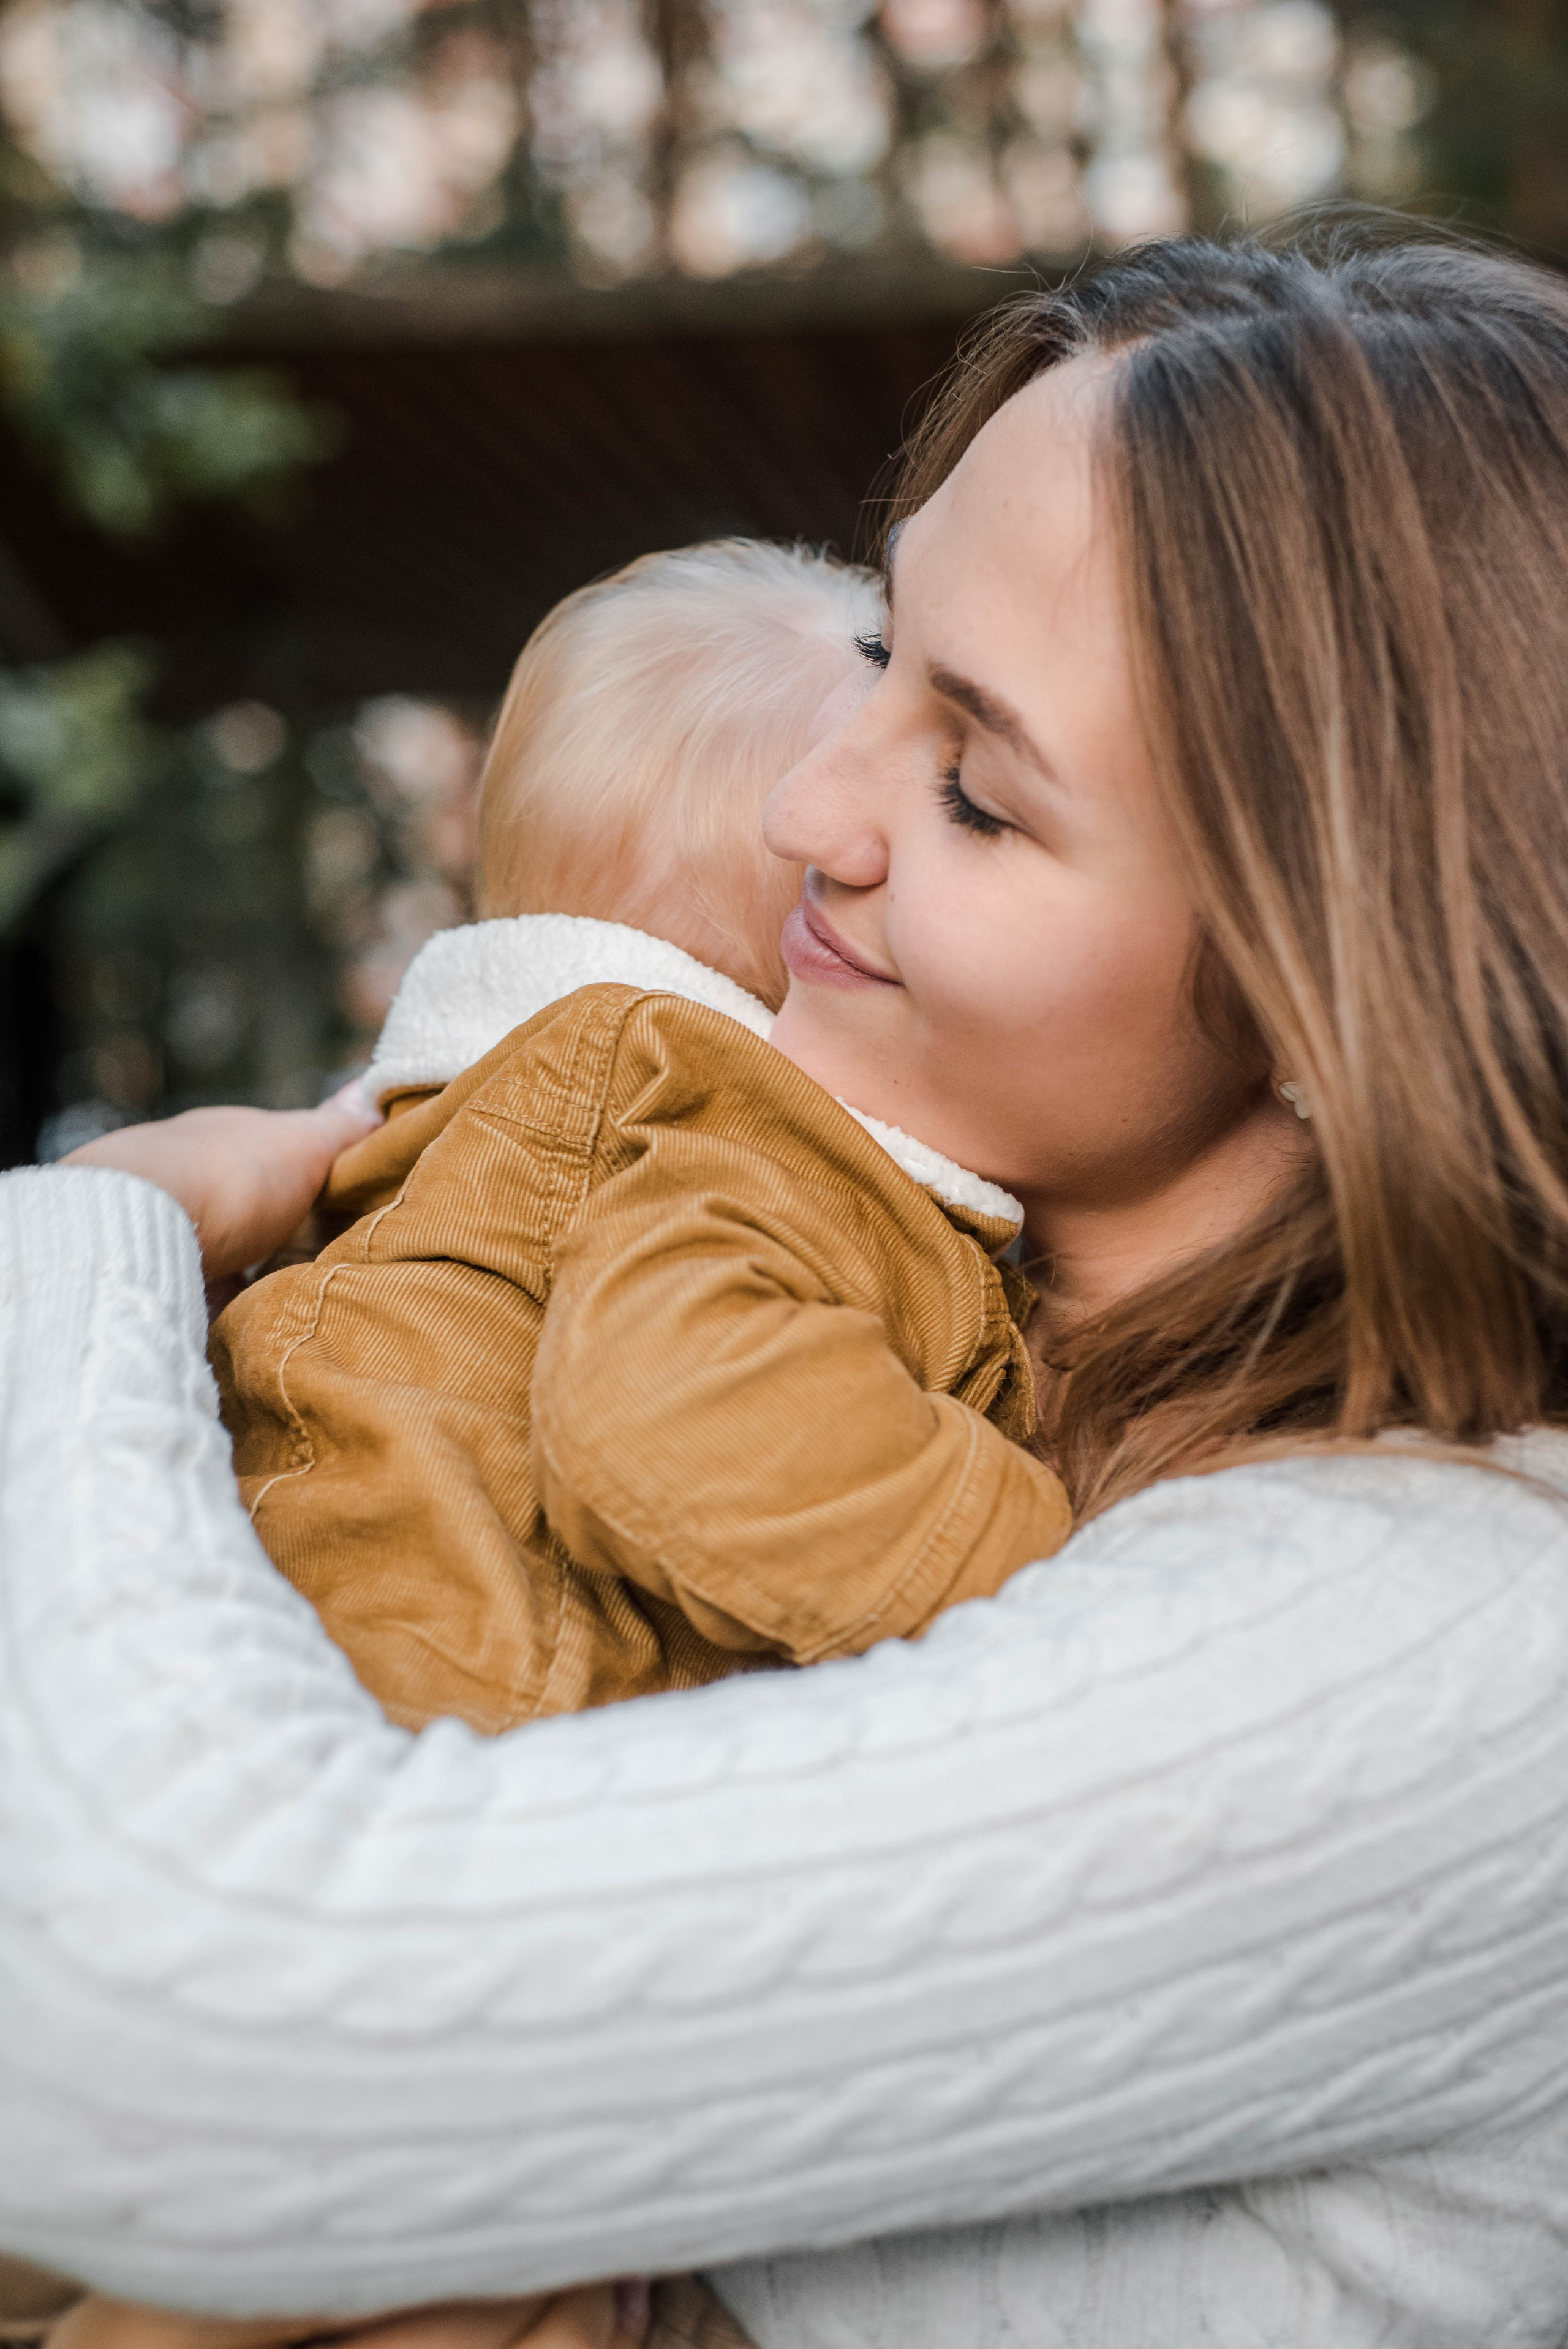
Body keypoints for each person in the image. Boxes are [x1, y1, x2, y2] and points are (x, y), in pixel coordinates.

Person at [3, 224, 1568, 2349]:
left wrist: (84, 1237)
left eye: (976, 791)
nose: (807, 803)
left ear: (1339, 990)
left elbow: (149, 2026)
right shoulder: (903, 1291)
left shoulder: (1451, 1637)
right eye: (881, 654)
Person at [211, 536, 1069, 1733]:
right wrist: (1051, 1562)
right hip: (493, 1729)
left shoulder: (434, 1147)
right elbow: (680, 1419)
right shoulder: (717, 1103)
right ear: (816, 947)